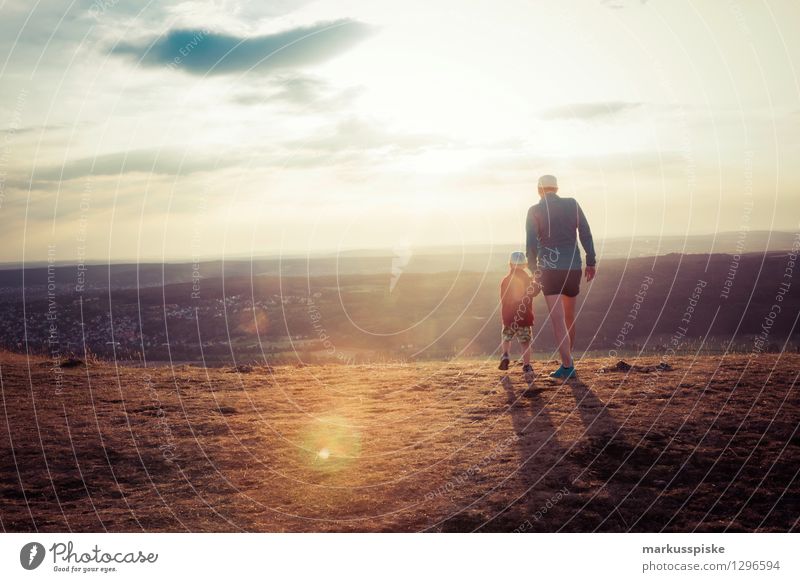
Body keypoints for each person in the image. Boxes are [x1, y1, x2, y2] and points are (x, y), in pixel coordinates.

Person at [526, 175, 596, 379]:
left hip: (549, 269)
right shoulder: (572, 204)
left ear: (539, 190)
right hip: (573, 266)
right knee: (569, 317)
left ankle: (567, 365)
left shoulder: (535, 210)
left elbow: (530, 244)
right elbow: (585, 232)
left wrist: (534, 270)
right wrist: (591, 261)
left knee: (557, 320)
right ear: (556, 188)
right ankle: (568, 359)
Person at [499, 251, 539, 376]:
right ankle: (526, 366)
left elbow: (503, 299)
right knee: (525, 342)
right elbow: (534, 292)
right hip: (524, 317)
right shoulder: (527, 280)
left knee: (506, 338)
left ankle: (505, 355)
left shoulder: (505, 280)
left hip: (509, 317)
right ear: (525, 265)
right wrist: (536, 283)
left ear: (510, 265)